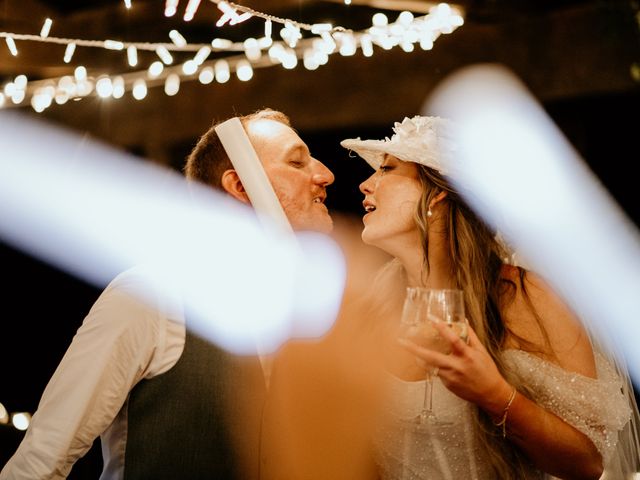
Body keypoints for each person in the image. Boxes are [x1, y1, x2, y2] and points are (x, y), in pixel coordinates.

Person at [0, 108, 335, 480]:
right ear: (240, 186)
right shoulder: (151, 297)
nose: (325, 175)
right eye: (297, 162)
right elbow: (42, 460)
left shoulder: (304, 314)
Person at [339, 115, 640, 479]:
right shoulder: (372, 304)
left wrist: (494, 395)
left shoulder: (523, 296)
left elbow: (586, 463)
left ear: (439, 192)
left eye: (387, 169)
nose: (365, 184)